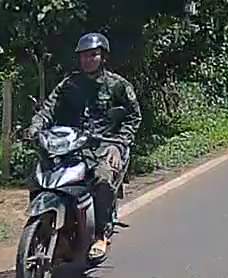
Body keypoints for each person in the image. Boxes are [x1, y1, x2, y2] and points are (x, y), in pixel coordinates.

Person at [24, 32, 141, 260]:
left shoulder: (118, 85)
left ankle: (100, 234)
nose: (88, 60)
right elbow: (48, 108)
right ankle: (46, 229)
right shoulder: (70, 84)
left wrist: (119, 143)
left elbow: (133, 117)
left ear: (103, 57)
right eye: (84, 56)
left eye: (93, 55)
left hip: (105, 145)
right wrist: (35, 128)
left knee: (102, 178)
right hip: (70, 144)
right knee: (38, 177)